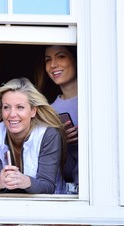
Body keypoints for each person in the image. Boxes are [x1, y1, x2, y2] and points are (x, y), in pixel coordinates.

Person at [0, 77, 66, 194]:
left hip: (51, 207)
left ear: (33, 111)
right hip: (7, 207)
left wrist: (25, 181)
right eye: (6, 107)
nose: (12, 114)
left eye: (20, 107)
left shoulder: (48, 134)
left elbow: (48, 187)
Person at [35, 45, 79, 194]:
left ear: (75, 58)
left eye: (61, 56)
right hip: (67, 192)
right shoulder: (48, 111)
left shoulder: (95, 102)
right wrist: (60, 143)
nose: (53, 65)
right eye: (48, 60)